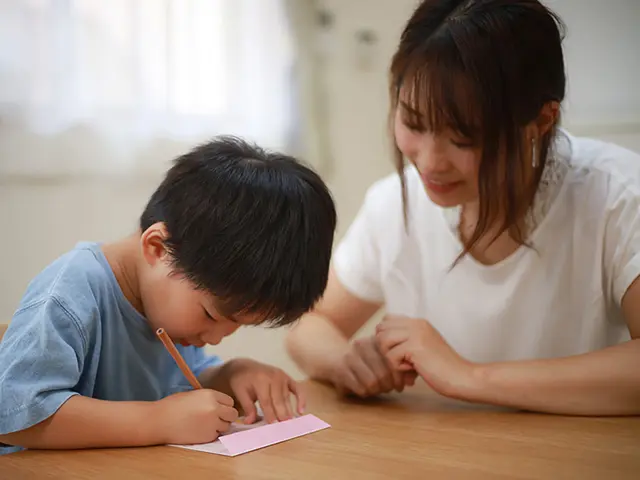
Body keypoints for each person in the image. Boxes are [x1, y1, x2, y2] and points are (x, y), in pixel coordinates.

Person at [286, 0, 640, 416]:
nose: (431, 162)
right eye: (414, 123)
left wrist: (468, 376)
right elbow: (310, 325)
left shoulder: (617, 194)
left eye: (464, 137)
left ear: (543, 121)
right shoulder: (393, 204)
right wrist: (345, 361)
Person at [0, 136, 337, 454]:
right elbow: (14, 416)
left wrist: (228, 377)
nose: (216, 339)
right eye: (212, 315)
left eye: (238, 325)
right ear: (158, 248)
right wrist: (157, 421)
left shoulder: (169, 313)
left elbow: (179, 383)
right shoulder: (70, 292)